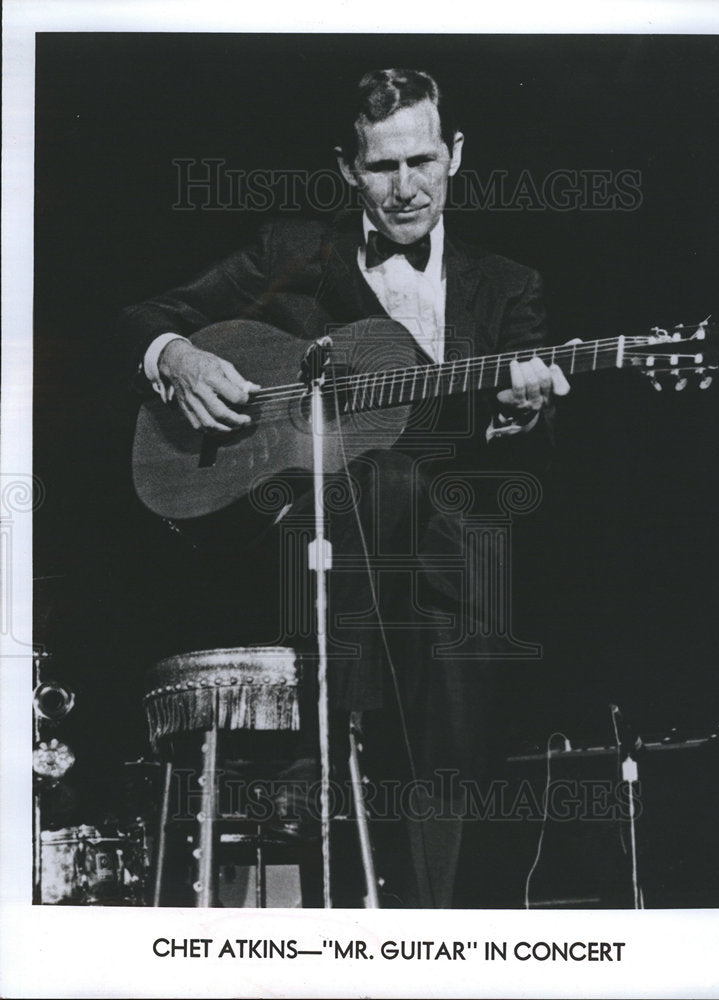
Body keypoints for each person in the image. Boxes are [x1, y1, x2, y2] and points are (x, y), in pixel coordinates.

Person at [118, 68, 571, 907]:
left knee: (435, 539)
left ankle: (414, 909)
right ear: (345, 169)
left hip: (447, 551)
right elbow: (144, 317)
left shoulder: (508, 285)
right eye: (381, 167)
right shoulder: (293, 251)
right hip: (306, 530)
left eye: (423, 161)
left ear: (456, 155)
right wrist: (177, 359)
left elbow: (524, 436)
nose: (404, 189)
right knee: (382, 483)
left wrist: (516, 412)